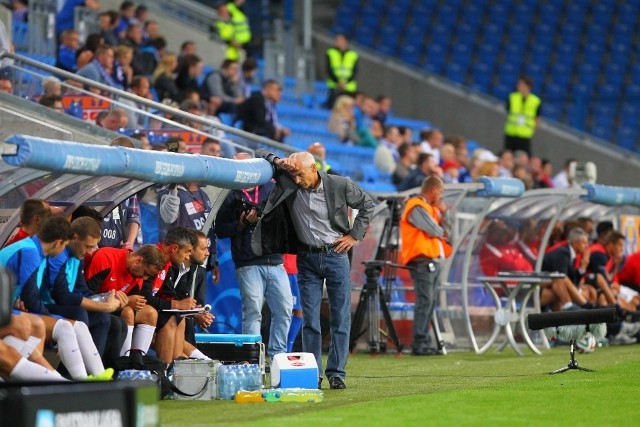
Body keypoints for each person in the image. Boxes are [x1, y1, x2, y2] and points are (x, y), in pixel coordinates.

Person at [252, 150, 374, 390]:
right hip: (306, 257)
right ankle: (313, 372)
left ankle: (337, 373)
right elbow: (260, 153)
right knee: (310, 320)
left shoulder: (339, 184)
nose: (297, 180)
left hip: (336, 255)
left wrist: (354, 236)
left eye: (300, 175)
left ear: (313, 168)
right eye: (293, 175)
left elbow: (367, 204)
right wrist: (279, 162)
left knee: (340, 317)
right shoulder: (289, 178)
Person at [216, 152, 293, 358]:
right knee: (252, 312)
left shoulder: (270, 187)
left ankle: (277, 356)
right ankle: (253, 358)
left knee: (285, 309)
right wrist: (241, 224)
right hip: (247, 262)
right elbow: (220, 230)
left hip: (275, 260)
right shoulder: (229, 195)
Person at [399, 176, 452, 356]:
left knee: (429, 302)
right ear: (434, 190)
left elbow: (448, 232)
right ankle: (419, 343)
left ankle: (425, 341)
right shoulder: (416, 205)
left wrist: (443, 215)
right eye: (441, 191)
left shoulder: (431, 208)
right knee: (425, 301)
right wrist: (441, 226)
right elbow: (434, 230)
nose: (442, 196)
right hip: (421, 260)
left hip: (433, 259)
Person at [85, 244, 165, 356]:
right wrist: (122, 299)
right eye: (146, 273)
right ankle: (124, 361)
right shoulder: (106, 257)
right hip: (91, 306)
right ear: (138, 261)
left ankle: (136, 363)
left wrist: (129, 301)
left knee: (150, 313)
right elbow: (87, 294)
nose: (145, 278)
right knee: (127, 312)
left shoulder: (137, 275)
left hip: (113, 307)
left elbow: (129, 301)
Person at [541, 227, 594, 311]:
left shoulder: (570, 253)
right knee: (561, 279)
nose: (587, 246)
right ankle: (581, 306)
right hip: (541, 286)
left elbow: (572, 281)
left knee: (589, 290)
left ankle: (583, 306)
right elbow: (563, 279)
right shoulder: (563, 253)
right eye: (584, 243)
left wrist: (583, 266)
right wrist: (578, 292)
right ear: (575, 243)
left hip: (551, 286)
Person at [504, 75, 541, 156]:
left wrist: (532, 128)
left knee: (523, 157)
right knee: (508, 155)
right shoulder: (512, 97)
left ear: (528, 86)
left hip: (525, 135)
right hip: (511, 132)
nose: (519, 86)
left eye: (521, 84)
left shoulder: (536, 101)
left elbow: (537, 118)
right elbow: (508, 112)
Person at [325, 33, 358, 109]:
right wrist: (338, 82)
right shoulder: (331, 52)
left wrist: (345, 82)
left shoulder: (353, 55)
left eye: (340, 40)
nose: (338, 42)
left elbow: (354, 72)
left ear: (346, 41)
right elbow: (329, 70)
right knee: (333, 108)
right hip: (334, 86)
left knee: (347, 109)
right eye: (337, 40)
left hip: (349, 87)